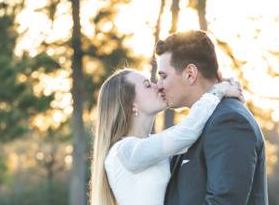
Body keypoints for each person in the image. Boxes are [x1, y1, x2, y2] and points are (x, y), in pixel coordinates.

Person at [89, 68, 243, 205]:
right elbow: (187, 132)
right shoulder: (123, 151)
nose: (158, 86)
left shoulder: (150, 148)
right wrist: (216, 91)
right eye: (148, 85)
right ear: (131, 106)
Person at [157, 30, 268, 204]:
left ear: (190, 74)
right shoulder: (200, 122)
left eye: (163, 76)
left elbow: (223, 202)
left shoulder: (229, 121)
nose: (159, 85)